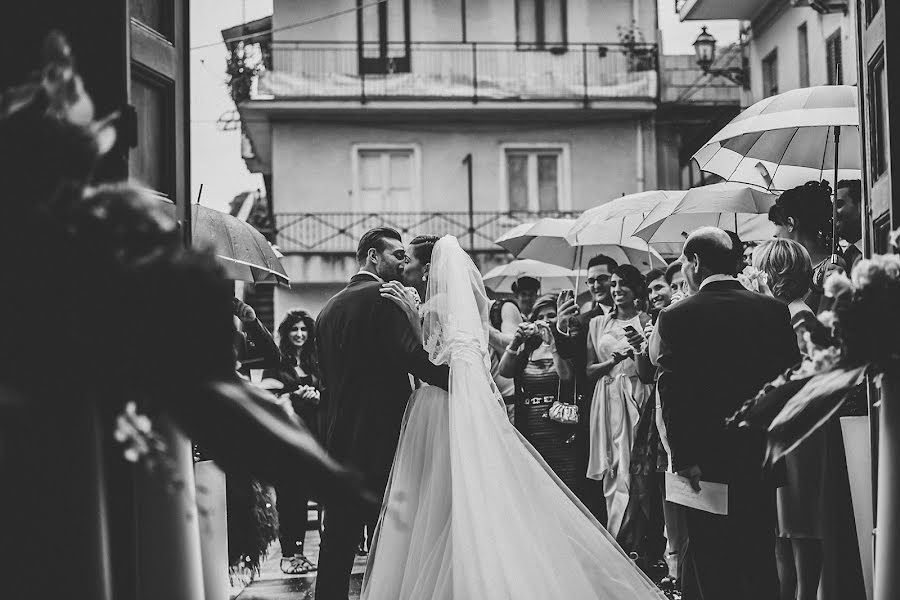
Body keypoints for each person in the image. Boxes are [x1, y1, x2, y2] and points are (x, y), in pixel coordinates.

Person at [361, 235, 664, 600]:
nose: (402, 264)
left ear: (427, 268)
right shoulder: (439, 303)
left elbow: (450, 365)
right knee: (448, 500)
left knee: (443, 499)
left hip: (441, 408)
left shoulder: (437, 306)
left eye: (407, 259)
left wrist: (412, 321)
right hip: (440, 408)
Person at [650, 227, 799, 600]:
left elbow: (672, 391)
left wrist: (683, 456)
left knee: (712, 559)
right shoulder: (773, 309)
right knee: (759, 556)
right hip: (758, 454)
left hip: (704, 462)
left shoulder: (676, 315)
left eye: (685, 263)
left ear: (696, 262)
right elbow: (790, 381)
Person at [314, 227, 450, 600]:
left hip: (338, 440)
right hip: (382, 439)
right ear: (373, 256)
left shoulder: (328, 309)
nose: (403, 262)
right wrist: (459, 379)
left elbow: (326, 377)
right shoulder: (384, 297)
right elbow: (411, 356)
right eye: (396, 255)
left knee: (338, 541)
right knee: (386, 537)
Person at [752, 239, 829, 600]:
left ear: (776, 274)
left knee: (800, 525)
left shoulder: (799, 315)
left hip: (799, 432)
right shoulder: (777, 313)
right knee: (780, 528)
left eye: (760, 269)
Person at [585, 264, 653, 537]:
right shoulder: (598, 324)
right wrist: (612, 362)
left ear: (634, 287)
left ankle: (640, 534)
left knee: (635, 465)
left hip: (636, 393)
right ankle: (616, 534)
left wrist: (637, 349)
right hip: (607, 396)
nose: (615, 290)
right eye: (612, 285)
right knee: (613, 465)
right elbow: (588, 370)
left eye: (621, 284)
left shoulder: (647, 321)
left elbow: (648, 369)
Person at [497, 294, 579, 489]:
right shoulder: (528, 349)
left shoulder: (568, 343)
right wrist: (515, 343)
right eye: (540, 316)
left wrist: (553, 344)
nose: (545, 321)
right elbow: (505, 371)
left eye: (551, 315)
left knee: (566, 484)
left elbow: (566, 376)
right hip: (531, 426)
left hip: (560, 426)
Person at [264, 309, 323, 575]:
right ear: (286, 333)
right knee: (288, 498)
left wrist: (316, 395)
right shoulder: (278, 361)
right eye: (294, 330)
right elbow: (271, 396)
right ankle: (288, 555)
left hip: (311, 437)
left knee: (302, 496)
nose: (299, 334)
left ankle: (299, 554)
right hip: (285, 439)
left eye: (303, 329)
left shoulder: (315, 362)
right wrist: (293, 395)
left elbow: (326, 390)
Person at [768, 181, 845, 312]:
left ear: (791, 223)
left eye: (777, 224)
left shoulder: (832, 268)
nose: (775, 234)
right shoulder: (790, 268)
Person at [835, 179, 863, 271]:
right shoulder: (844, 258)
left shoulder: (878, 249)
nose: (834, 213)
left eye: (839, 205)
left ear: (860, 206)